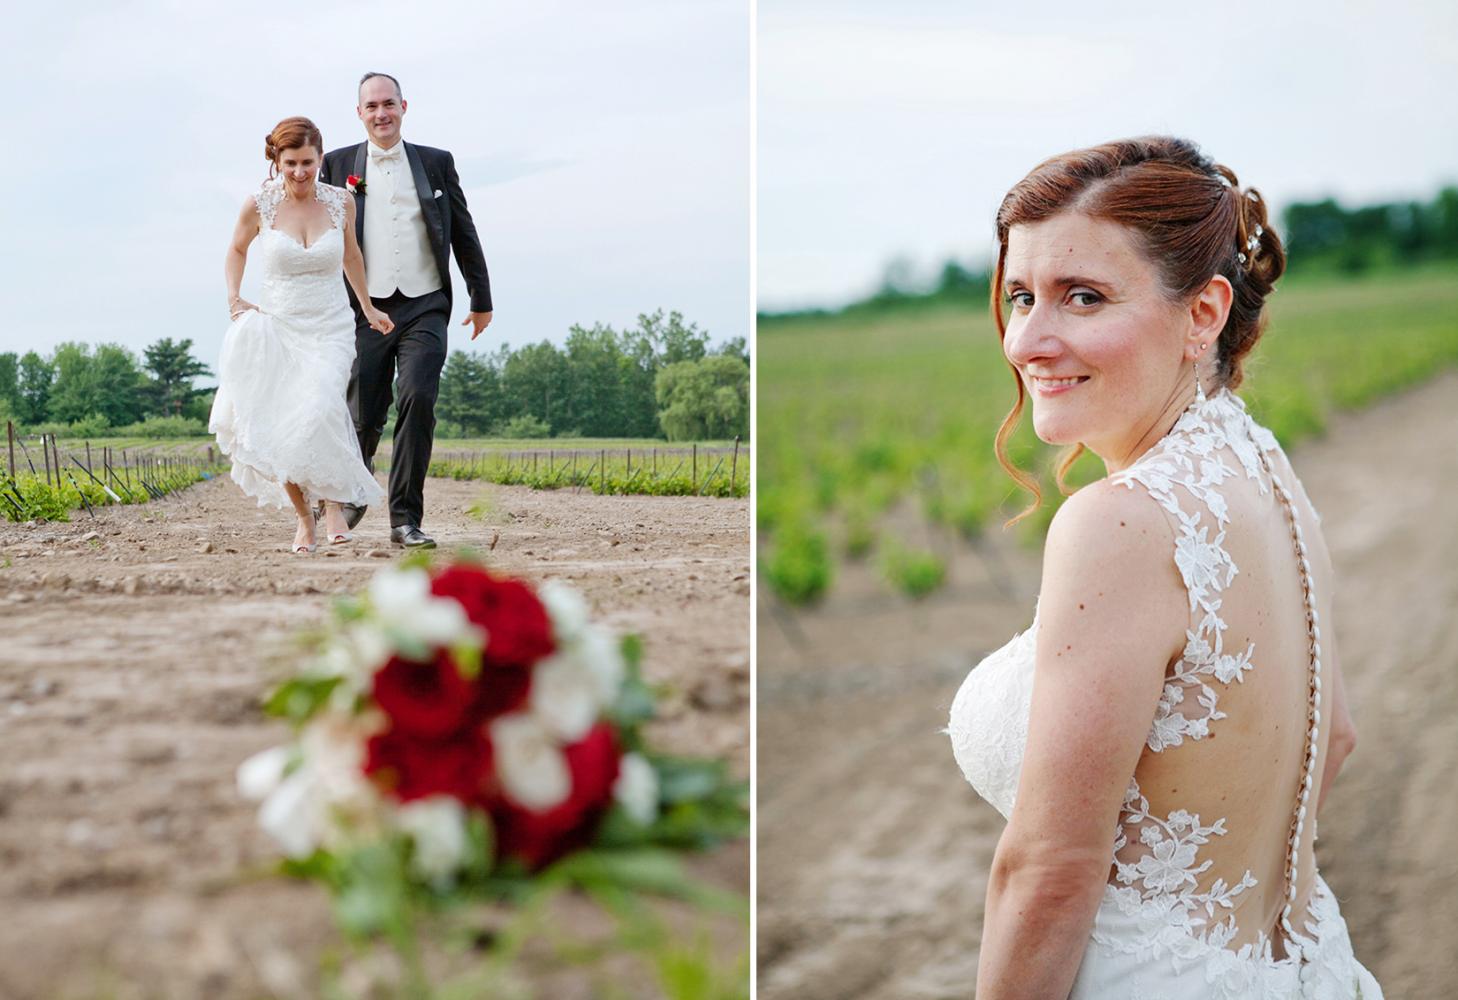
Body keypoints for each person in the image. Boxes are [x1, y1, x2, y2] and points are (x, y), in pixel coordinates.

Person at [945, 137, 1383, 997]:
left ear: (1204, 313)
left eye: (1083, 297)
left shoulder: (1117, 523)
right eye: (1021, 296)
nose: (1030, 339)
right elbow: (1333, 737)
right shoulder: (1264, 468)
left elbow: (1050, 871)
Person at [318, 71, 495, 549]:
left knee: (418, 398)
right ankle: (352, 492)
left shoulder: (437, 163)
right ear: (359, 114)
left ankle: (404, 520)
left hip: (425, 304)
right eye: (371, 106)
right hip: (365, 306)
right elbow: (317, 231)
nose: (381, 113)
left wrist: (481, 297)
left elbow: (462, 228)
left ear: (404, 106)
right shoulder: (335, 166)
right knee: (364, 412)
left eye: (389, 104)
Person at [211, 116, 390, 554]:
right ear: (277, 160)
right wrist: (235, 298)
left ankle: (332, 507)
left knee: (320, 408)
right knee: (284, 424)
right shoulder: (260, 204)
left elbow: (351, 256)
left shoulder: (340, 202)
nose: (299, 172)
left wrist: (367, 307)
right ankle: (302, 520)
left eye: (308, 162)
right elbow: (236, 249)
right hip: (280, 326)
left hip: (330, 326)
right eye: (290, 163)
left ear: (320, 158)